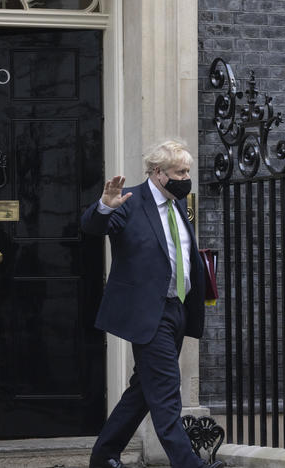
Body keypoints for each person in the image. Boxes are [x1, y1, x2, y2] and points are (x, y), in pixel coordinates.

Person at [81, 140, 224, 468]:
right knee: (165, 390)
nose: (186, 177)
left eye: (187, 171)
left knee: (144, 389)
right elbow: (92, 227)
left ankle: (104, 456)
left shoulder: (177, 205)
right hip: (148, 312)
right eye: (179, 172)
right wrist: (104, 205)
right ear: (158, 173)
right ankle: (188, 464)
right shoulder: (130, 201)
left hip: (177, 309)